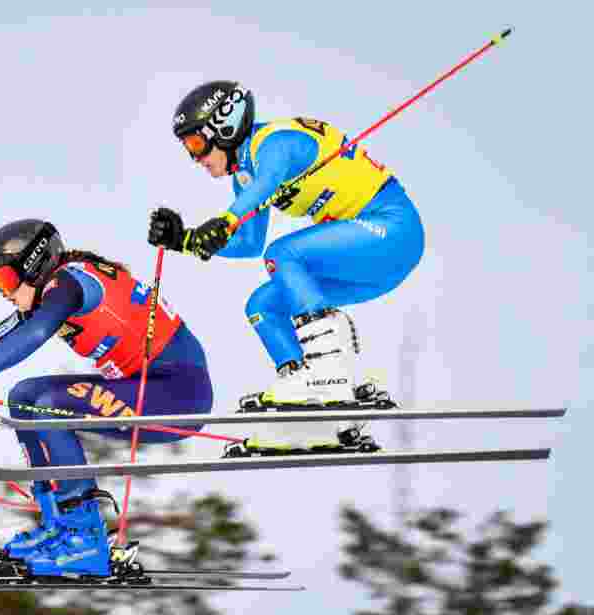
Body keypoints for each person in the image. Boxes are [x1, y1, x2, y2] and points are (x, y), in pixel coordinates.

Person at [0, 219, 213, 577]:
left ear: (35, 266)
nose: (5, 293)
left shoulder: (68, 282)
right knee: (24, 395)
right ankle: (58, 523)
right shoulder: (52, 292)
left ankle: (85, 536)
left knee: (45, 404)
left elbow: (38, 332)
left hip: (177, 395)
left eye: (7, 281)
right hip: (142, 389)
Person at [149, 81, 422, 435]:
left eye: (197, 144)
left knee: (284, 254)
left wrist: (226, 219)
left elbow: (270, 179)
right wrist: (184, 240)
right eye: (188, 148)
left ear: (225, 126)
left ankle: (328, 372)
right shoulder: (245, 176)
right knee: (262, 304)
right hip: (368, 262)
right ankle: (309, 397)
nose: (196, 158)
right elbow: (248, 243)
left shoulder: (274, 142)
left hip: (391, 228)